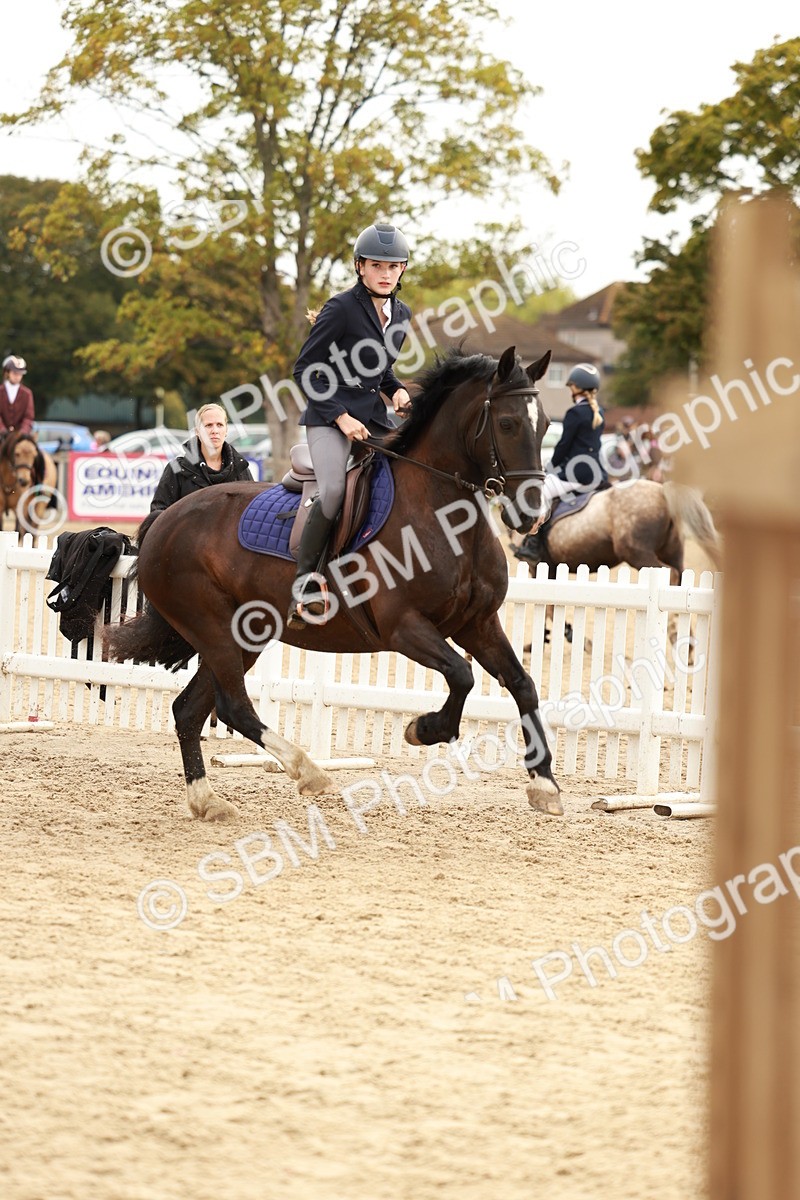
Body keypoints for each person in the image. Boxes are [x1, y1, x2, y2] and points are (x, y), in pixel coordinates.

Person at [288, 221, 412, 627]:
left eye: (393, 267)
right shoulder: (341, 308)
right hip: (328, 415)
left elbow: (382, 370)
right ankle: (304, 582)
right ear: (360, 267)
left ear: (402, 271)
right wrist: (340, 416)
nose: (385, 273)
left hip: (374, 418)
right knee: (335, 489)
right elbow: (306, 369)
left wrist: (395, 391)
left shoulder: (402, 314)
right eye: (377, 265)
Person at [519, 362, 607, 560]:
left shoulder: (575, 413)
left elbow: (563, 446)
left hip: (577, 473)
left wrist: (549, 468)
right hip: (597, 473)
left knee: (541, 492)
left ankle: (532, 544)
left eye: (570, 387)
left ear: (576, 387)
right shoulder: (599, 412)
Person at [149, 402, 252, 513]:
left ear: (226, 430)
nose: (215, 431)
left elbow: (252, 512)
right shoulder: (177, 469)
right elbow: (158, 513)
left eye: (220, 425)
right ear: (197, 431)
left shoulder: (240, 469)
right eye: (208, 425)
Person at [0, 355, 35, 438]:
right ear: (7, 373)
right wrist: (2, 430)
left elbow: (29, 416)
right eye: (15, 373)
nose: (17, 376)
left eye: (20, 374)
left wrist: (23, 432)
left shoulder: (27, 393)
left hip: (20, 436)